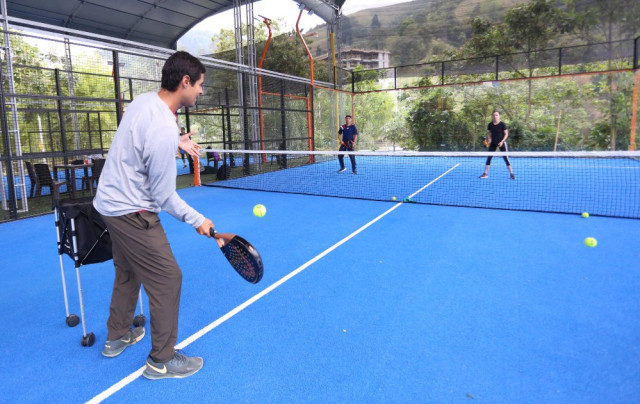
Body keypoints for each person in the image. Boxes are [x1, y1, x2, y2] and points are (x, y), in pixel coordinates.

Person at [93, 51, 214, 380]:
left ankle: (117, 336)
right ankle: (162, 359)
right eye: (199, 84)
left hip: (108, 204)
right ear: (184, 81)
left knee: (128, 271)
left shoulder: (145, 101)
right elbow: (164, 196)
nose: (201, 91)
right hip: (132, 211)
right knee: (168, 279)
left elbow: (141, 139)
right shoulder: (162, 127)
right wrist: (198, 220)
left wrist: (176, 140)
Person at [479, 110, 515, 180]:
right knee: (489, 158)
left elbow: (506, 134)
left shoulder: (502, 124)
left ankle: (511, 173)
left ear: (499, 116)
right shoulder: (490, 125)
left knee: (506, 158)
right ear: (492, 116)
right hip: (493, 143)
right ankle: (485, 173)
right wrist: (488, 138)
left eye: (496, 115)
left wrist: (502, 141)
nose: (495, 116)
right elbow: (489, 133)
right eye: (494, 115)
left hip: (502, 143)